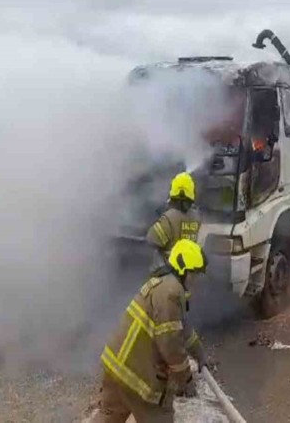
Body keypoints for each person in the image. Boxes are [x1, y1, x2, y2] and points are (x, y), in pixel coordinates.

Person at [98, 239, 210, 423]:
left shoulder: (162, 284)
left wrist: (200, 353)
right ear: (184, 270)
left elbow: (183, 328)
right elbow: (170, 343)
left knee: (108, 417)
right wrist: (186, 380)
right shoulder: (172, 292)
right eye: (195, 274)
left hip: (115, 367)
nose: (196, 281)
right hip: (137, 379)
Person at [147, 172, 201, 276]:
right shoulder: (196, 217)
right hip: (187, 274)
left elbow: (151, 239)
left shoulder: (168, 218)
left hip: (167, 274)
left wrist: (163, 215)